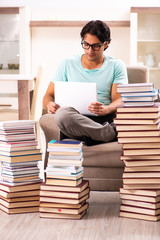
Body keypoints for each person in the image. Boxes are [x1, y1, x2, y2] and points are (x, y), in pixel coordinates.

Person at [43, 20, 128, 146]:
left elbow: (120, 100)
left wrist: (105, 109)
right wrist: (49, 104)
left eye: (96, 46)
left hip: (104, 118)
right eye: (86, 44)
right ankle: (107, 134)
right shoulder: (67, 63)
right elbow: (47, 96)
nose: (90, 50)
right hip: (75, 120)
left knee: (132, 117)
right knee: (62, 115)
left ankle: (92, 137)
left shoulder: (116, 65)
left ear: (106, 44)